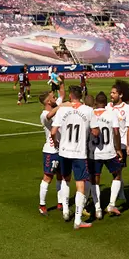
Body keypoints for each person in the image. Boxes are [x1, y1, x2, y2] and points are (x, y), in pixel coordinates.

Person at [51, 85, 99, 229]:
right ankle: (77, 220)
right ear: (81, 96)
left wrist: (57, 142)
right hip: (79, 153)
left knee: (65, 179)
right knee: (80, 184)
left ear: (70, 96)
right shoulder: (89, 110)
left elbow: (53, 132)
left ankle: (65, 210)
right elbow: (95, 133)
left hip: (64, 151)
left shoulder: (62, 110)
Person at [89, 92, 123, 219]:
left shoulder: (90, 114)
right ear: (106, 102)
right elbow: (116, 131)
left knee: (95, 180)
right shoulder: (111, 113)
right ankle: (111, 204)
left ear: (96, 103)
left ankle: (98, 209)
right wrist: (118, 148)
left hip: (94, 153)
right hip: (109, 151)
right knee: (117, 175)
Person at [38, 79, 67, 216]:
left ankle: (60, 202)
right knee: (48, 177)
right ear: (48, 102)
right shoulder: (44, 115)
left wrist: (62, 81)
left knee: (60, 177)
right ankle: (42, 205)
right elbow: (50, 115)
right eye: (53, 97)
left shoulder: (56, 106)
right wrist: (61, 106)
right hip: (50, 150)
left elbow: (62, 94)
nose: (56, 98)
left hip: (61, 150)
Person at [107, 80, 129, 206]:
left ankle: (120, 194)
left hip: (122, 145)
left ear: (121, 95)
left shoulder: (128, 109)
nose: (111, 95)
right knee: (116, 172)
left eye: (113, 93)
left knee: (118, 171)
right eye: (110, 93)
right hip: (109, 145)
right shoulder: (108, 107)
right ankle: (120, 192)